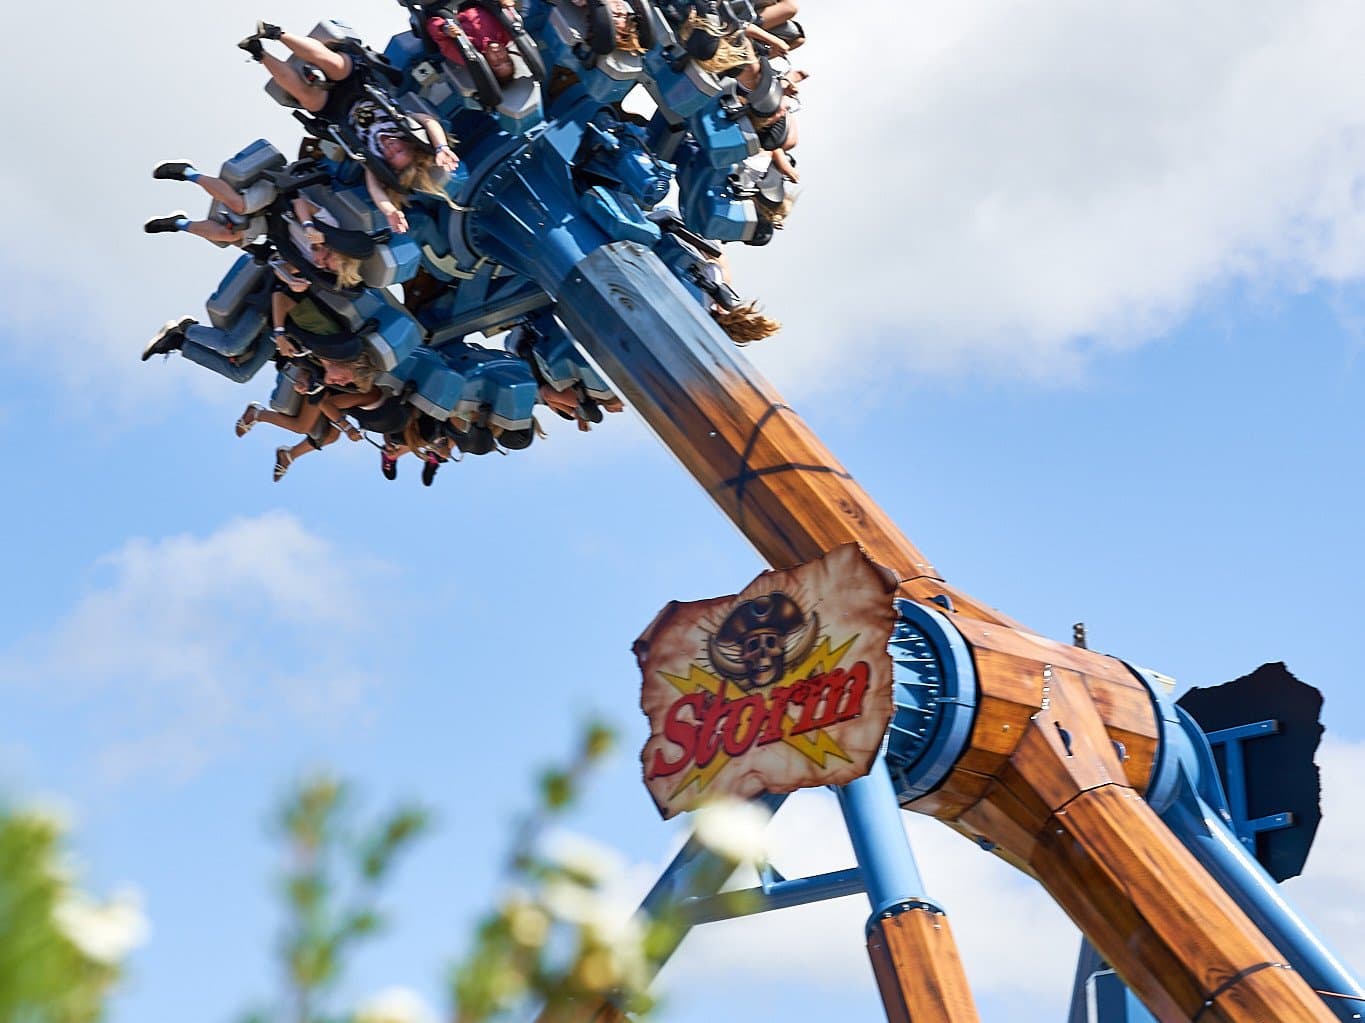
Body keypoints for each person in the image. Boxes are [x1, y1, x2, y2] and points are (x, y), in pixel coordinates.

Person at [240, 22, 460, 233]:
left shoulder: (373, 157)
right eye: (400, 150)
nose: (392, 149)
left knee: (307, 97)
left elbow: (376, 190)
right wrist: (441, 147)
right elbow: (430, 122)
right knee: (334, 65)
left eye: (392, 156)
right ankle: (275, 33)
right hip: (358, 84)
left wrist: (389, 210)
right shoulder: (404, 125)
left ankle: (258, 52)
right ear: (409, 145)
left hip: (337, 110)